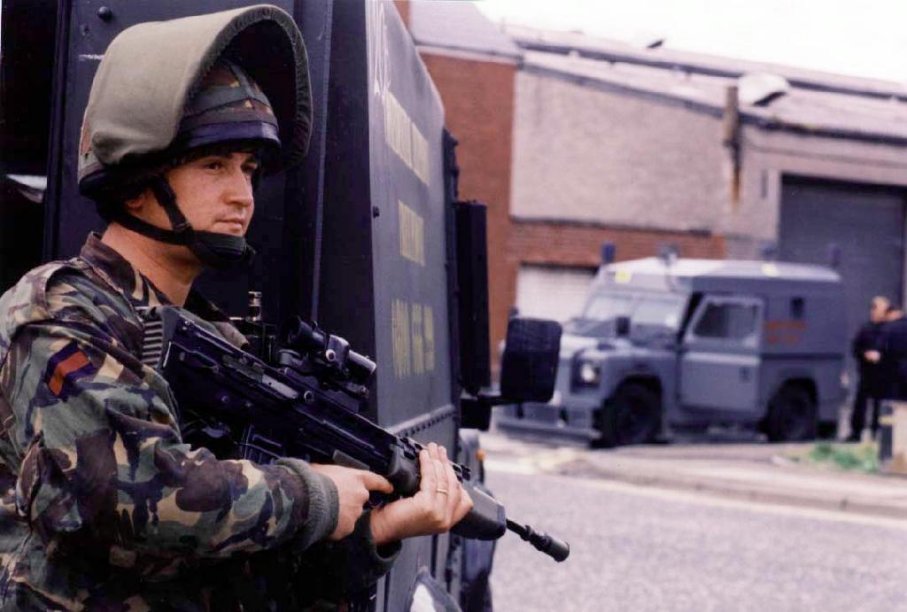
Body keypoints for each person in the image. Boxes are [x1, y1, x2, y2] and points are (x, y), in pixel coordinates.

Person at [0, 6, 471, 610]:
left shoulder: (213, 341)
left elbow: (244, 576)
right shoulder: (59, 315)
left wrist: (376, 531)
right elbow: (122, 500)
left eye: (249, 170)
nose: (242, 195)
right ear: (136, 182)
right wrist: (312, 496)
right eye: (214, 165)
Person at [847, 296, 890, 442]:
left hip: (882, 373)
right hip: (866, 372)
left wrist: (881, 356)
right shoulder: (865, 329)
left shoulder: (888, 329)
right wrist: (865, 354)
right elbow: (855, 348)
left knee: (880, 404)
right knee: (861, 403)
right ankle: (856, 432)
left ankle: (876, 432)